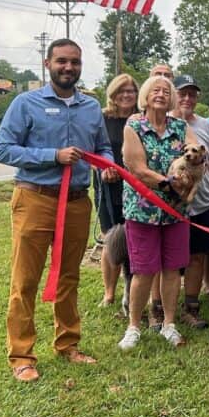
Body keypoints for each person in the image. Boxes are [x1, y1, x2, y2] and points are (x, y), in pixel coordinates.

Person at [0, 38, 112, 382]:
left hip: (76, 202)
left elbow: (103, 146)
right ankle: (21, 356)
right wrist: (52, 156)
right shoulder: (25, 103)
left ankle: (68, 343)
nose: (68, 68)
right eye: (61, 61)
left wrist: (107, 165)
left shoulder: (91, 107)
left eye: (75, 62)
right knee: (26, 279)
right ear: (48, 64)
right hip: (35, 199)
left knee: (68, 276)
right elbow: (3, 149)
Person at [117, 76, 198, 351]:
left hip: (176, 210)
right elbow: (137, 169)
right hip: (144, 209)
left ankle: (169, 324)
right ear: (146, 96)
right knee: (144, 270)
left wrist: (191, 173)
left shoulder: (180, 126)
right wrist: (168, 183)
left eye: (166, 91)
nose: (161, 94)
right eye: (155, 90)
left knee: (173, 268)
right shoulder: (134, 126)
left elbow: (196, 155)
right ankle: (133, 327)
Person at [171, 75, 209, 327]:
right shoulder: (163, 123)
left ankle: (191, 308)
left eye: (192, 94)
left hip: (202, 204)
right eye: (182, 93)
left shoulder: (206, 126)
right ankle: (161, 309)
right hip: (171, 205)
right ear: (174, 94)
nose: (187, 99)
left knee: (197, 256)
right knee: (168, 259)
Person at [95, 73, 138, 308]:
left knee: (133, 239)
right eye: (122, 91)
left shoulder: (141, 118)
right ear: (113, 93)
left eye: (131, 91)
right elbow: (90, 149)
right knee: (110, 237)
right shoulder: (101, 118)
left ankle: (130, 291)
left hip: (136, 187)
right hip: (108, 186)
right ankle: (109, 293)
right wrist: (101, 169)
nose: (126, 95)